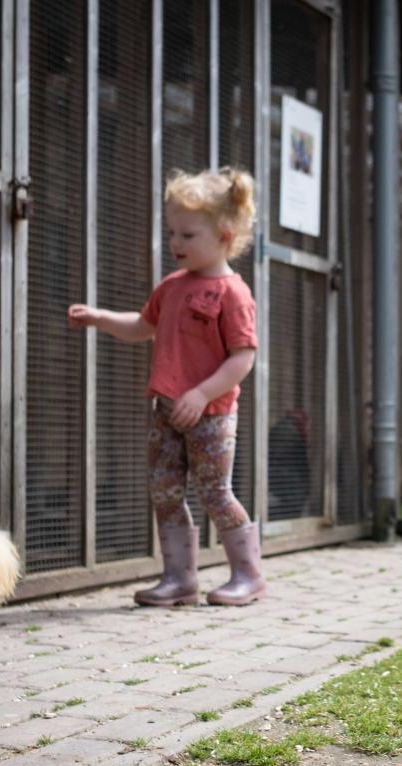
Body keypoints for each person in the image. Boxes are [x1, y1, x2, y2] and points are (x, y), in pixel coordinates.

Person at [67, 167, 266, 607]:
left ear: (225, 237)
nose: (176, 243)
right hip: (167, 410)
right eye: (173, 232)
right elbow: (143, 326)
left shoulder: (233, 293)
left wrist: (202, 393)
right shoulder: (172, 287)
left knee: (215, 492)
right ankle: (179, 578)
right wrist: (100, 318)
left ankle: (249, 576)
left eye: (188, 235)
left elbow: (243, 358)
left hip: (211, 414)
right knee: (165, 489)